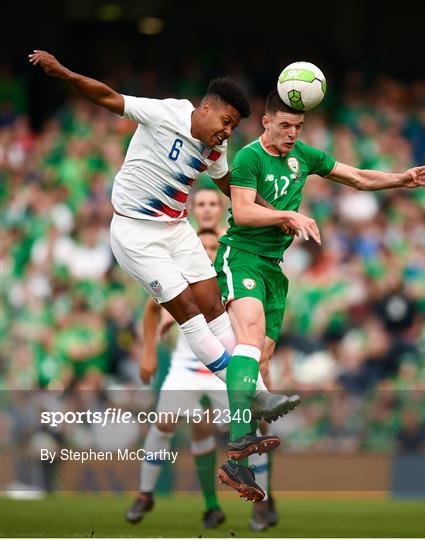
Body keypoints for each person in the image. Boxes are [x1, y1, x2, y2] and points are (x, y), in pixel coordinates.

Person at [29, 52, 304, 465]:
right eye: (225, 121)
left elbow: (231, 184)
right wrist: (62, 72)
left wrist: (276, 213)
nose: (227, 132)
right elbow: (108, 97)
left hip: (175, 228)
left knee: (216, 305)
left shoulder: (217, 148)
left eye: (233, 127)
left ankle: (259, 399)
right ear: (205, 108)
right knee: (190, 312)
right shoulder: (164, 114)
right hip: (135, 234)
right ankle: (250, 398)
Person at [215, 90, 425, 498]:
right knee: (248, 340)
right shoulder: (248, 158)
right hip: (241, 257)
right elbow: (242, 210)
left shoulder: (305, 156)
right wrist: (287, 214)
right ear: (265, 122)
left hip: (273, 271)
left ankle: (244, 467)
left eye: (298, 127)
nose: (292, 134)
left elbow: (357, 177)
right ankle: (237, 447)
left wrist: (400, 180)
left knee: (262, 363)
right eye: (284, 126)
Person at [126, 190, 277, 531]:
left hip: (229, 363)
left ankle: (263, 501)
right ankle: (148, 493)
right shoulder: (182, 262)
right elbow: (156, 308)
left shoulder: (236, 266)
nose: (208, 254)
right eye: (205, 250)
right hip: (188, 363)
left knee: (256, 426)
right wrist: (150, 348)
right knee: (169, 421)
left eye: (213, 250)